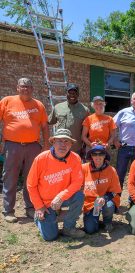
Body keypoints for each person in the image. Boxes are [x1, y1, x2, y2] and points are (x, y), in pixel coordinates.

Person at [0, 77, 49, 223]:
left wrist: (46, 146)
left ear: (32, 89)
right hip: (12, 145)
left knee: (32, 178)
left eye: (28, 86)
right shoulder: (7, 101)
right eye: (23, 86)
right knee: (10, 177)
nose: (25, 88)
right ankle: (8, 210)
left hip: (33, 146)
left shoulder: (38, 105)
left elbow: (45, 127)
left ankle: (30, 208)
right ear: (17, 88)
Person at [27, 129, 85, 241]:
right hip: (45, 202)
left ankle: (68, 228)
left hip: (63, 198)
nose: (63, 145)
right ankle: (40, 217)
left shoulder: (75, 158)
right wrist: (39, 207)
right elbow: (31, 185)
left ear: (71, 144)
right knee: (50, 237)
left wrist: (61, 196)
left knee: (79, 196)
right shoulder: (41, 159)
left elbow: (77, 182)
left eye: (66, 141)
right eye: (59, 141)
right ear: (53, 142)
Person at [82, 145, 121, 234]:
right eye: (94, 154)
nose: (98, 157)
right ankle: (92, 218)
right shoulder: (84, 168)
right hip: (90, 203)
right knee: (90, 230)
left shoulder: (111, 170)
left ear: (105, 156)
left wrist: (104, 198)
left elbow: (116, 191)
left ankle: (107, 222)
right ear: (91, 156)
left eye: (101, 154)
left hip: (105, 200)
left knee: (109, 205)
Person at [48, 83, 89, 154]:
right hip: (59, 147)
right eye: (69, 93)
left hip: (76, 148)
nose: (72, 95)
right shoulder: (58, 107)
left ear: (78, 94)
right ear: (66, 94)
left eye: (74, 93)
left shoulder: (85, 110)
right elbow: (48, 122)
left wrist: (85, 147)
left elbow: (87, 132)